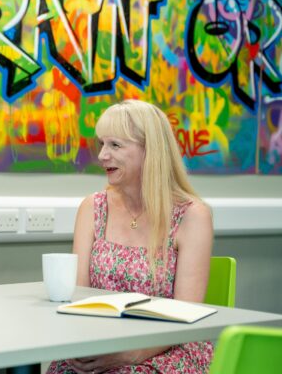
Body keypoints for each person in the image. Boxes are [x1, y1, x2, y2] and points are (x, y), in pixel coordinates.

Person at [47, 100, 214, 374]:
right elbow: (78, 297)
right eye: (102, 144)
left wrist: (131, 354)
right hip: (99, 343)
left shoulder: (192, 216)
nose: (102, 155)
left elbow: (186, 315)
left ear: (151, 151)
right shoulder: (93, 207)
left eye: (115, 145)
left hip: (168, 346)